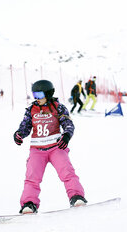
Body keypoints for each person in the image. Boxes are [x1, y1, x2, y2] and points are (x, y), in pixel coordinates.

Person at [14, 79, 87, 214]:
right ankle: (29, 204)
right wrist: (19, 134)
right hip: (37, 150)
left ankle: (76, 196)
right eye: (34, 95)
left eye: (40, 95)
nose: (37, 99)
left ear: (48, 94)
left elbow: (68, 124)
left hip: (56, 148)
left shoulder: (58, 107)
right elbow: (25, 126)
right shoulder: (31, 109)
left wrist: (66, 135)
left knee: (67, 172)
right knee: (32, 177)